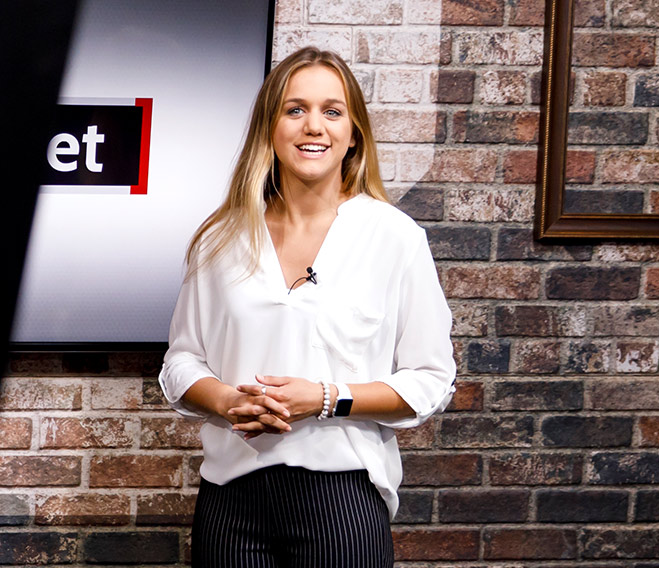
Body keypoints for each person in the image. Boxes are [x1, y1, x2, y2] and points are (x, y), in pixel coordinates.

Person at [158, 46, 457, 567]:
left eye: (331, 111)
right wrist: (229, 402)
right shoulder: (221, 238)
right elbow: (181, 364)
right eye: (295, 110)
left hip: (342, 499)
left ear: (353, 132)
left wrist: (325, 398)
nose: (312, 126)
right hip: (230, 501)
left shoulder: (394, 237)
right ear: (269, 129)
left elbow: (430, 380)